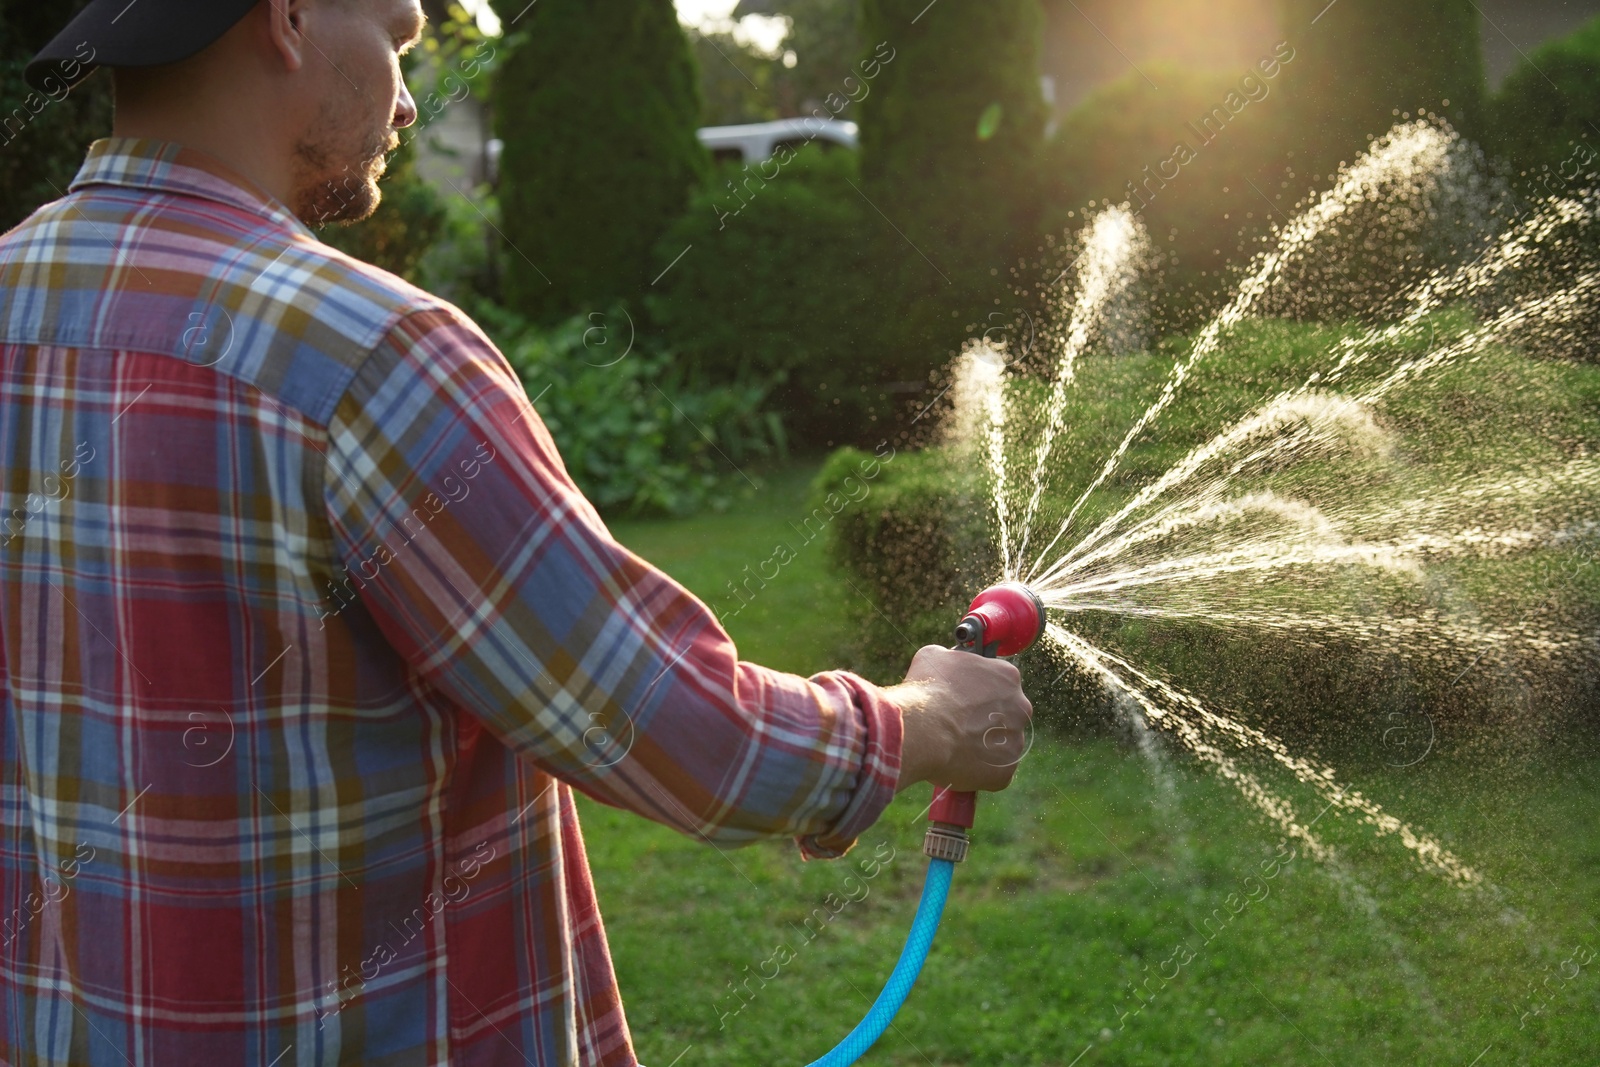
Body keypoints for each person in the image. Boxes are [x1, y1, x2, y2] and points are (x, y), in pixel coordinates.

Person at [0, 1, 1032, 1064]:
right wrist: (923, 720)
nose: (408, 102)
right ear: (292, 16)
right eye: (399, 39)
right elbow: (671, 724)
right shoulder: (368, 356)